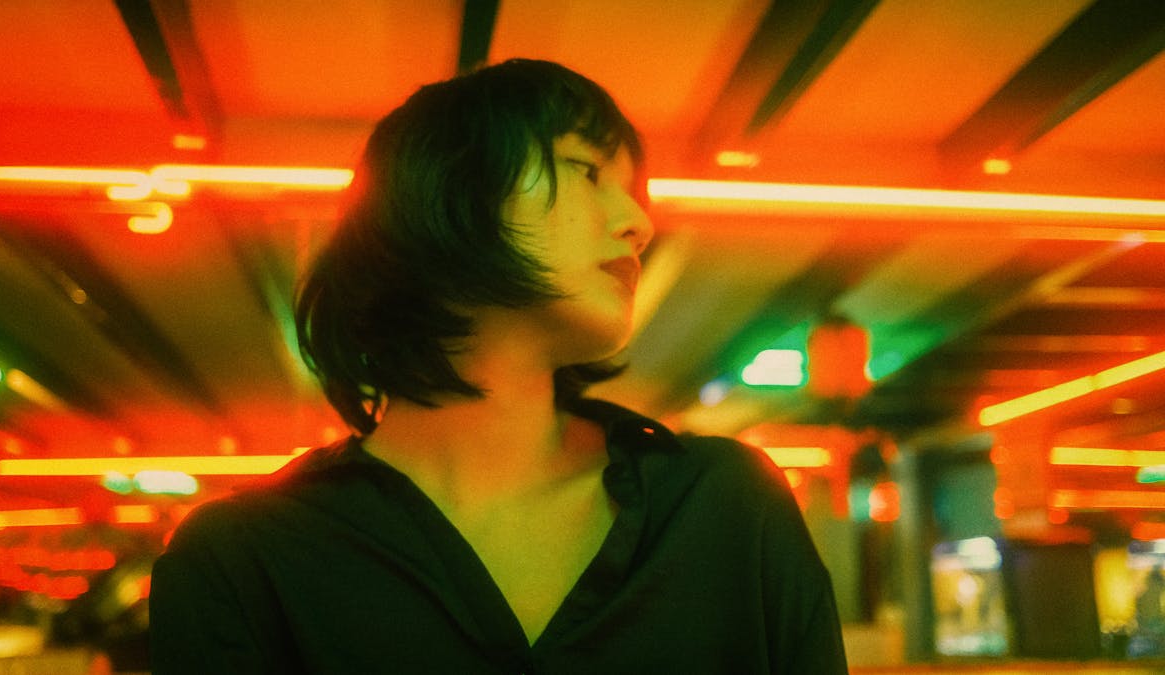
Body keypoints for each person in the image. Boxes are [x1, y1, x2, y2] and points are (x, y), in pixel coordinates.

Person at [148, 58, 847, 674]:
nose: (638, 221)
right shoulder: (245, 564)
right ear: (450, 191)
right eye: (588, 171)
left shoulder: (724, 506)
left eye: (635, 191)